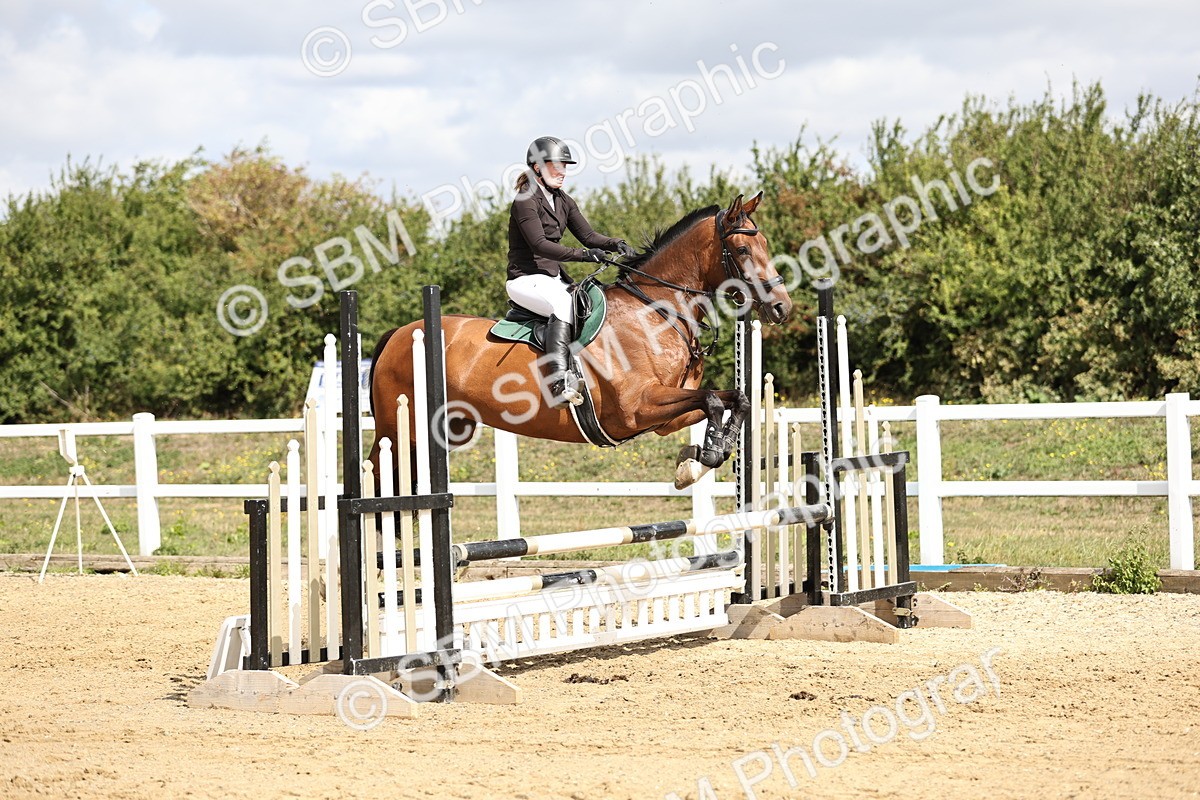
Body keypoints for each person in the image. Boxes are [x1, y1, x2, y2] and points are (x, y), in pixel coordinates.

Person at [507, 136, 635, 407]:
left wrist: (615, 243)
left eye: (564, 166)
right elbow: (539, 245)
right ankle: (557, 382)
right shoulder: (525, 199)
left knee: (590, 303)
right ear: (537, 167)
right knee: (564, 304)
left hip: (553, 279)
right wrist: (584, 256)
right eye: (555, 166)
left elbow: (587, 235)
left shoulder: (563, 200)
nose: (562, 172)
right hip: (525, 279)